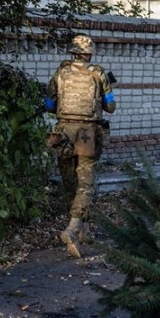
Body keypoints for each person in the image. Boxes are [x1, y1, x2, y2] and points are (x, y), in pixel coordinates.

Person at [45, 34, 116, 259]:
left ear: (72, 52)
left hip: (63, 132)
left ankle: (81, 229)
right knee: (86, 182)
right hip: (87, 133)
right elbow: (111, 106)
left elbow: (49, 105)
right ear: (89, 52)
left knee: (70, 182)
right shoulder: (98, 73)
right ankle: (73, 229)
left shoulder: (60, 73)